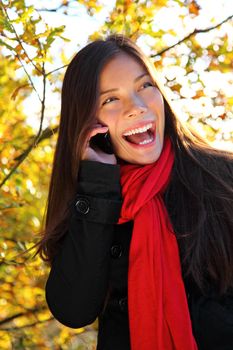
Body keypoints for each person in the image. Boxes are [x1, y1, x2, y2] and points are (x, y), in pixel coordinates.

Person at [37, 34, 233, 350]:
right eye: (110, 100)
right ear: (88, 122)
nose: (137, 107)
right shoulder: (91, 199)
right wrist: (99, 188)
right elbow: (73, 310)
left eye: (144, 86)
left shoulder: (223, 178)